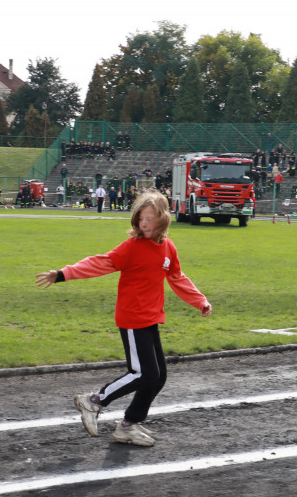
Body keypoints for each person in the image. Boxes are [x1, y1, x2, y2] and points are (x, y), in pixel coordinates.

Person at [34, 190, 212, 447]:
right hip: (132, 318)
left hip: (150, 318)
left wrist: (200, 300)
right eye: (141, 218)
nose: (144, 223)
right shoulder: (132, 247)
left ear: (162, 220)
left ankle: (128, 425)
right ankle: (94, 401)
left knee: (158, 376)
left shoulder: (167, 248)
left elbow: (177, 277)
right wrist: (63, 274)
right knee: (143, 374)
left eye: (150, 219)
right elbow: (100, 263)